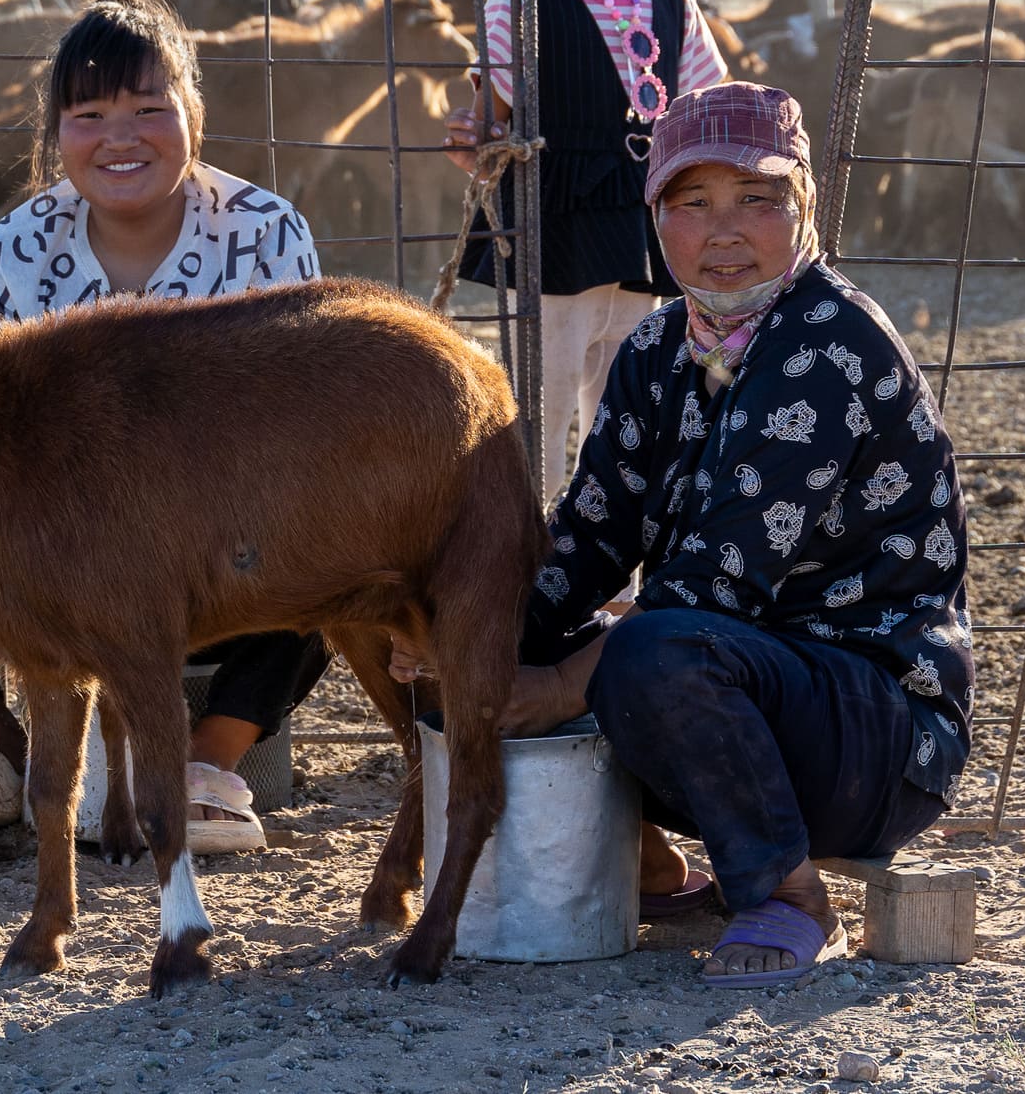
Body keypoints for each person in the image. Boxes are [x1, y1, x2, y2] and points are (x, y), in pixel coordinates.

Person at [406, 82, 973, 986]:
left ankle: (787, 895)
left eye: (759, 200)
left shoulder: (828, 347)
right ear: (654, 215)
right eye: (691, 202)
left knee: (653, 652)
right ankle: (652, 868)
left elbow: (717, 585)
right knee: (499, 638)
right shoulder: (661, 344)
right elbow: (590, 533)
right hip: (740, 693)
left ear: (805, 210)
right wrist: (470, 633)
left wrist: (554, 686)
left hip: (872, 732)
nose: (724, 231)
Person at [0, 0, 331, 856]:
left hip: (220, 539)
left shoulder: (266, 233)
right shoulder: (16, 247)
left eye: (151, 109)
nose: (121, 137)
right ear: (55, 131)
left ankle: (203, 769)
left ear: (194, 112)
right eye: (90, 114)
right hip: (57, 546)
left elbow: (294, 434)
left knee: (336, 548)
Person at [445, 0, 729, 500]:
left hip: (644, 230)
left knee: (632, 410)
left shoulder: (673, 3)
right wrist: (475, 137)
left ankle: (617, 582)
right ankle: (527, 564)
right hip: (555, 231)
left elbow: (704, 109)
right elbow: (491, 121)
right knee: (536, 410)